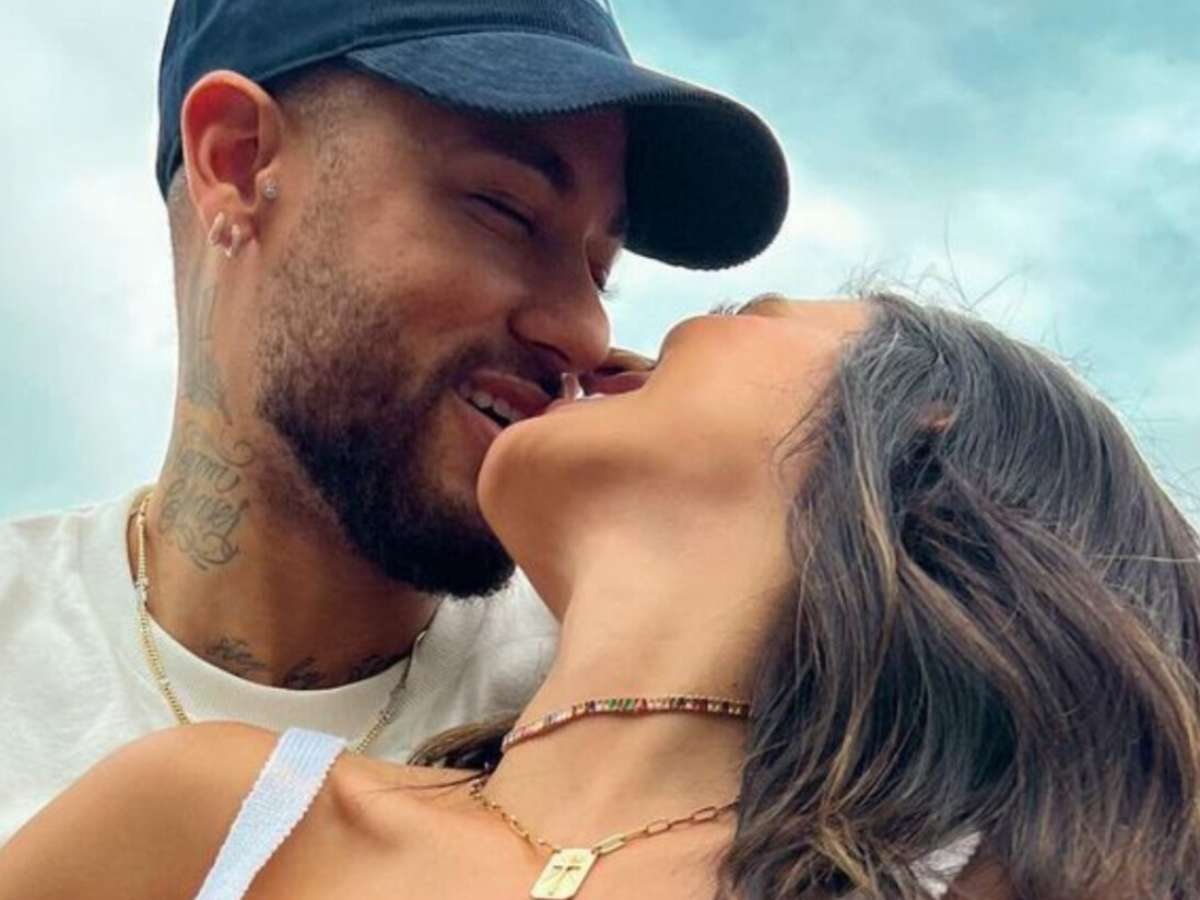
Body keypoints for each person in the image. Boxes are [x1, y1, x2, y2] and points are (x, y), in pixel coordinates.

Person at [4, 292, 1196, 899]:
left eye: (746, 313)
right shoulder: (220, 814)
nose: (597, 347)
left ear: (922, 430)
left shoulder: (1015, 880)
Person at [0, 0, 790, 844]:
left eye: (600, 271)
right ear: (237, 161)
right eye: (505, 210)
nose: (585, 329)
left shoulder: (644, 702)